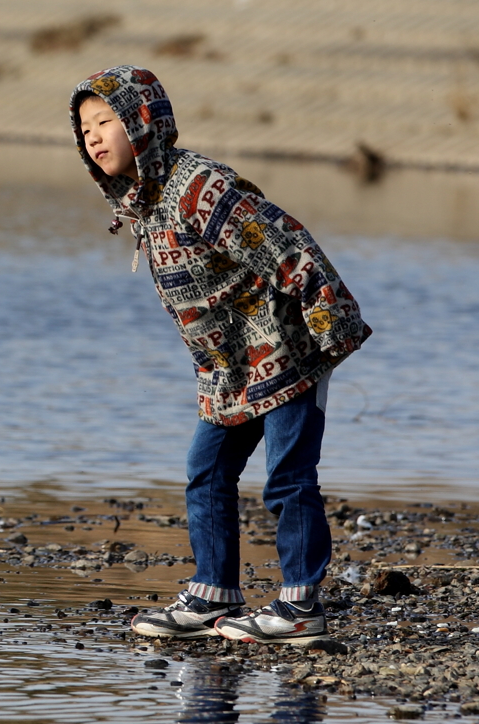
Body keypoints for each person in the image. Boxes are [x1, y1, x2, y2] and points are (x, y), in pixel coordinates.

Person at [70, 65, 371, 644]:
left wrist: (330, 323)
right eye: (85, 130)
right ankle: (214, 594)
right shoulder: (146, 201)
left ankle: (301, 606)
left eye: (106, 121)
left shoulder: (200, 187)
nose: (95, 136)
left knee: (287, 476)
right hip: (227, 369)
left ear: (143, 120)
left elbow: (288, 245)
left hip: (288, 347)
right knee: (206, 472)